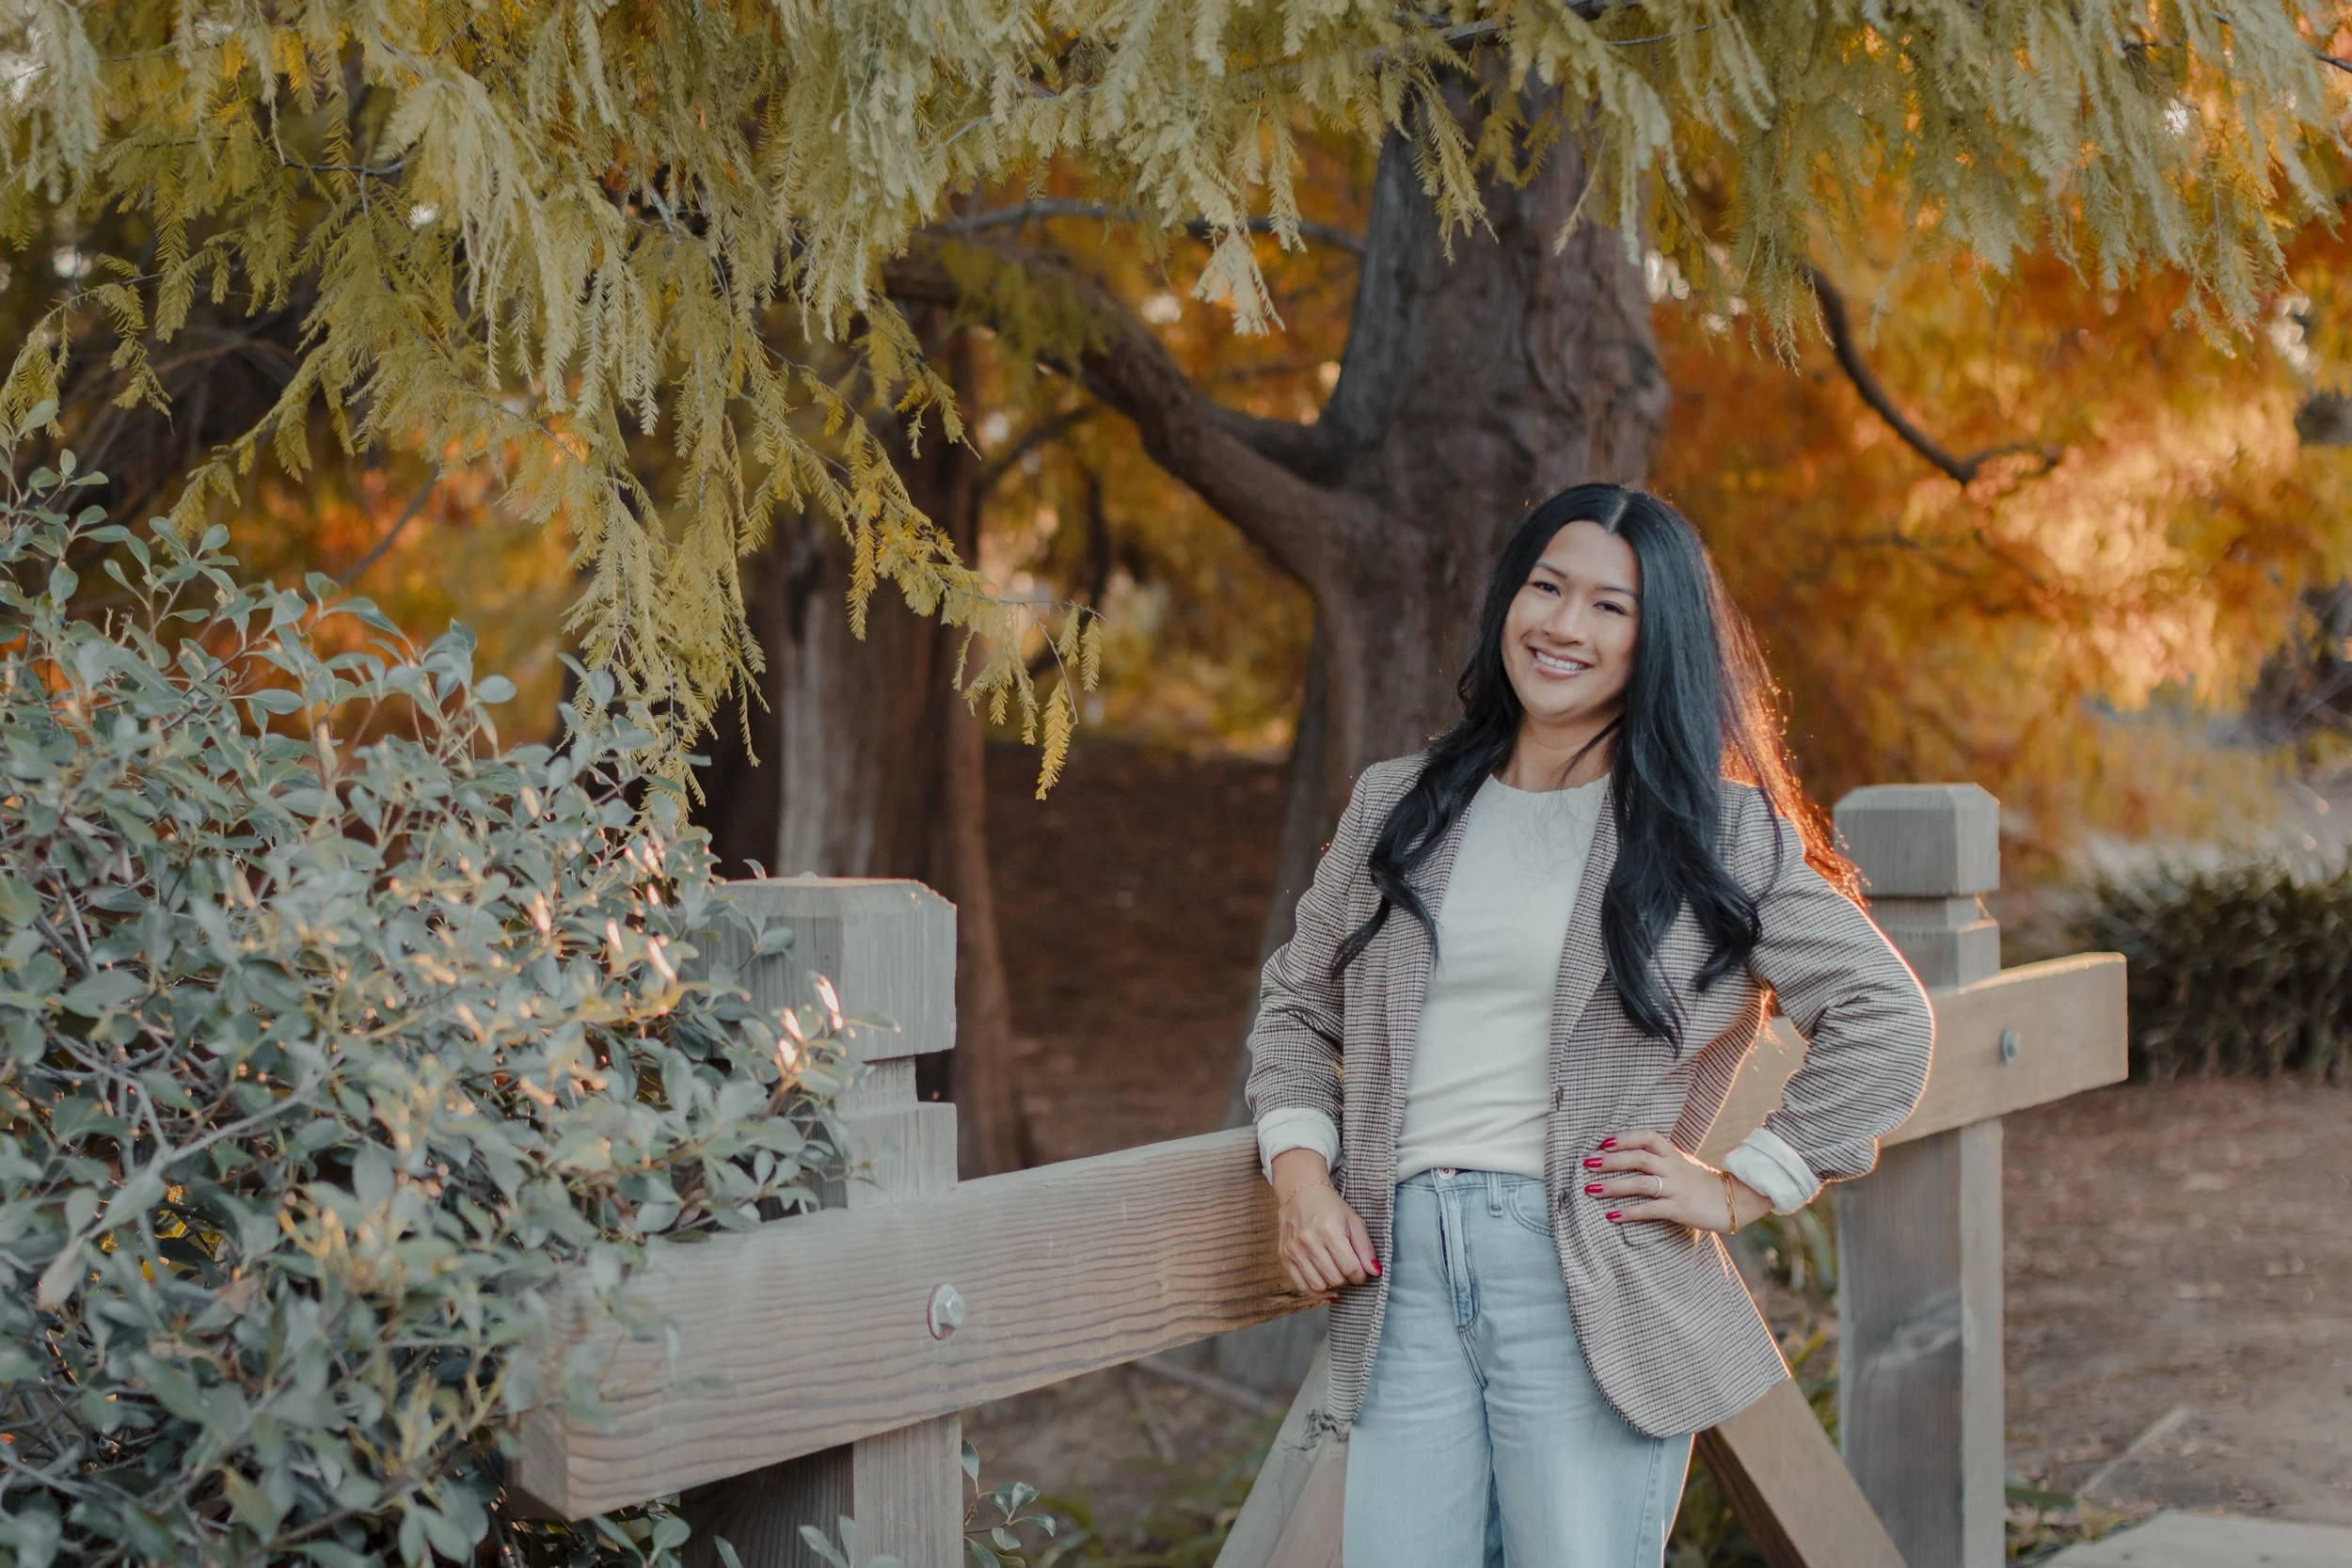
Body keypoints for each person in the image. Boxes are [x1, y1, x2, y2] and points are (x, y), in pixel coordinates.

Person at [1244, 483, 1935, 1568]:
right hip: (1396, 1277)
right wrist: (1299, 1178)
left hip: (1579, 1276)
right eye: (1546, 587)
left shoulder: (1713, 831)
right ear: (1506, 602)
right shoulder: (1398, 803)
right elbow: (1294, 1007)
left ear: (1655, 639)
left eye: (1610, 606)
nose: (1564, 626)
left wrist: (1743, 1184)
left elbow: (1882, 1018)